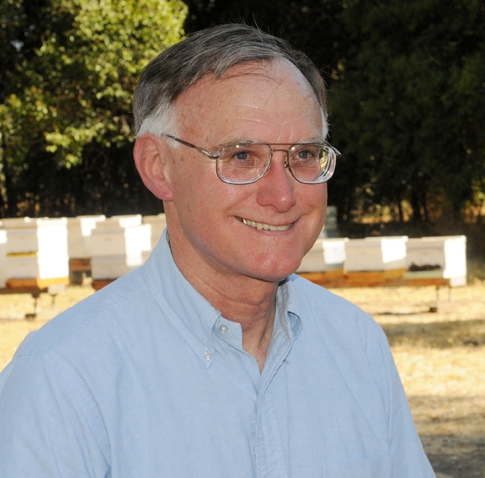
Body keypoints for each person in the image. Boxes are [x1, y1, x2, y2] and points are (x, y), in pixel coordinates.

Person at [0, 24, 435, 477]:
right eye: (242, 156)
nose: (283, 195)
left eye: (305, 154)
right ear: (157, 167)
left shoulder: (356, 345)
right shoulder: (63, 380)